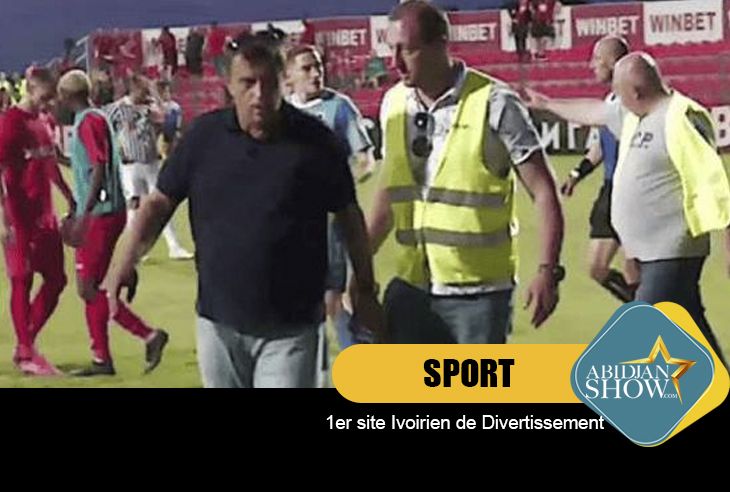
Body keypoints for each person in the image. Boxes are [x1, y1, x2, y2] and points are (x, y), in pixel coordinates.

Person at [105, 32, 384, 388]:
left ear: (283, 83)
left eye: (268, 83)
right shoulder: (204, 138)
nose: (259, 95)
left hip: (292, 327)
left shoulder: (316, 142)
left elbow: (349, 218)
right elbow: (159, 203)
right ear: (230, 86)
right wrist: (125, 261)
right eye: (248, 83)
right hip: (218, 323)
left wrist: (365, 289)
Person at [367, 0, 565, 344]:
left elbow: (544, 190)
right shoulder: (393, 104)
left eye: (407, 50)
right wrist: (357, 269)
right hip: (412, 290)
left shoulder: (495, 103)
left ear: (440, 45)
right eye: (391, 49)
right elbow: (389, 192)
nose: (395, 63)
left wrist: (548, 270)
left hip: (478, 297)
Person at [524, 52, 730, 367]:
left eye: (620, 95)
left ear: (636, 91)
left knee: (642, 336)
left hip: (671, 253)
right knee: (689, 334)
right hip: (649, 255)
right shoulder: (635, 113)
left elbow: (715, 185)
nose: (616, 103)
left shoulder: (682, 118)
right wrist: (548, 104)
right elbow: (594, 112)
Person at [56, 69, 169, 376]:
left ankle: (144, 337)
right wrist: (59, 158)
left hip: (100, 214)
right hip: (108, 211)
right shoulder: (97, 117)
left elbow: (98, 165)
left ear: (67, 96)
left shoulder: (87, 122)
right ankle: (103, 357)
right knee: (96, 286)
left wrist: (85, 214)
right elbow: (91, 163)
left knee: (89, 288)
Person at [286, 44, 377, 385]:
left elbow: (365, 159)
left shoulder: (338, 107)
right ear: (289, 77)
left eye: (318, 66)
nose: (315, 73)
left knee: (331, 295)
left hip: (328, 223)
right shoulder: (282, 113)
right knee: (298, 299)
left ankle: (355, 363)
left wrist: (336, 190)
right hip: (287, 224)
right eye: (306, 68)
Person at [0, 67, 75, 375]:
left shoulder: (44, 122)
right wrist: (2, 220)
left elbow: (49, 163)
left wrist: (69, 196)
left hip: (45, 217)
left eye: (51, 98)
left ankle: (25, 344)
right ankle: (27, 353)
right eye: (44, 97)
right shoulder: (11, 124)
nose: (48, 103)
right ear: (29, 90)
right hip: (19, 217)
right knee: (22, 279)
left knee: (57, 280)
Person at [559, 36, 639, 303]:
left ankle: (651, 317)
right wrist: (577, 173)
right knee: (596, 267)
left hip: (633, 190)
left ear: (612, 62)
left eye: (596, 59)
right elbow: (602, 146)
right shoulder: (612, 100)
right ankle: (643, 309)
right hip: (610, 190)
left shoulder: (634, 100)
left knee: (634, 267)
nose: (591, 65)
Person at [105, 74, 193, 260]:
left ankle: (174, 247)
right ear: (133, 89)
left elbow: (167, 118)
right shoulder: (118, 108)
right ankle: (134, 248)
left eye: (147, 91)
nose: (146, 95)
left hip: (151, 162)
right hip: (130, 165)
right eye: (143, 91)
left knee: (161, 204)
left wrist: (155, 95)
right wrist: (115, 148)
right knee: (133, 207)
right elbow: (105, 127)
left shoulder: (150, 106)